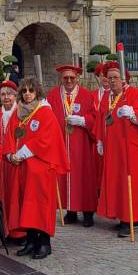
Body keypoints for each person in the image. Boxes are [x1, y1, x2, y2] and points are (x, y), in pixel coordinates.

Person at [2, 77, 69, 259]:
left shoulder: (45, 113)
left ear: (37, 92)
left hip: (41, 169)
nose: (27, 94)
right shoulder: (18, 113)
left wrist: (24, 151)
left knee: (41, 205)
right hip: (22, 169)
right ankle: (31, 241)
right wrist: (9, 154)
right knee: (26, 204)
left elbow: (48, 139)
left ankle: (44, 243)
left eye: (31, 91)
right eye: (24, 91)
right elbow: (9, 135)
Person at [97, 64, 138, 237]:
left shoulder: (135, 94)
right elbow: (102, 118)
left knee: (129, 182)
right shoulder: (107, 97)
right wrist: (100, 139)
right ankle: (121, 214)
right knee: (117, 181)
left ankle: (129, 219)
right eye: (109, 78)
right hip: (113, 148)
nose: (112, 81)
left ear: (124, 79)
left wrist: (134, 114)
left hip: (130, 148)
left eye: (115, 77)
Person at [47, 64, 97, 226]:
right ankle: (71, 211)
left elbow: (95, 117)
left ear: (77, 78)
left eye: (72, 78)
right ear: (61, 78)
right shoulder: (53, 95)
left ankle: (88, 212)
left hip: (81, 145)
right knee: (65, 177)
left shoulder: (87, 95)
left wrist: (84, 121)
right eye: (65, 78)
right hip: (61, 143)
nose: (69, 81)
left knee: (84, 177)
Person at [0, 80, 22, 240]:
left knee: (16, 196)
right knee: (2, 195)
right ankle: (5, 230)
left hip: (16, 160)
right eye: (3, 94)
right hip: (1, 162)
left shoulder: (21, 113)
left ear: (15, 96)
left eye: (10, 94)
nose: (7, 98)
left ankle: (19, 232)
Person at [92, 62, 111, 192]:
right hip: (93, 138)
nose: (104, 78)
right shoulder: (91, 95)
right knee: (95, 168)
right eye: (101, 75)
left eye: (107, 75)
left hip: (108, 138)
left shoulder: (116, 95)